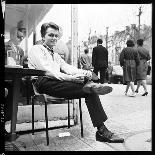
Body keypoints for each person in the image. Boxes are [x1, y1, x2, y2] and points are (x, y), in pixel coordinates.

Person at [28, 22, 124, 143]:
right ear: (43, 37)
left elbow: (68, 68)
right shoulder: (36, 50)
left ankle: (101, 127)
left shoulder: (55, 54)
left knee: (88, 89)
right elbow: (49, 72)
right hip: (42, 83)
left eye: (56, 36)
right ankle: (102, 131)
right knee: (87, 87)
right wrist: (71, 79)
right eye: (51, 35)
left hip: (56, 82)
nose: (54, 38)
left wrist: (85, 73)